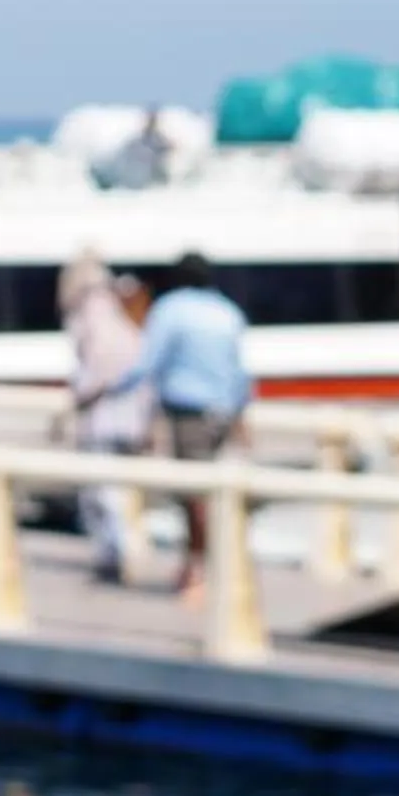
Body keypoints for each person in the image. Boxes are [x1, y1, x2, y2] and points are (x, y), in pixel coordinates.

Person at [77, 254, 250, 597]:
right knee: (215, 491)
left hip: (189, 413)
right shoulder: (228, 312)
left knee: (194, 494)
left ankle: (198, 570)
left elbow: (148, 363)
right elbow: (240, 373)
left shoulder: (172, 309)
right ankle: (209, 564)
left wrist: (110, 390)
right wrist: (241, 416)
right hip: (224, 413)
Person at [61, 254, 150, 580]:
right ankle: (119, 551)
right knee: (117, 491)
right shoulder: (120, 317)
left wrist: (80, 399)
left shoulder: (93, 315)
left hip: (104, 418)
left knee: (104, 492)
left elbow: (99, 370)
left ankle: (117, 553)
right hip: (129, 417)